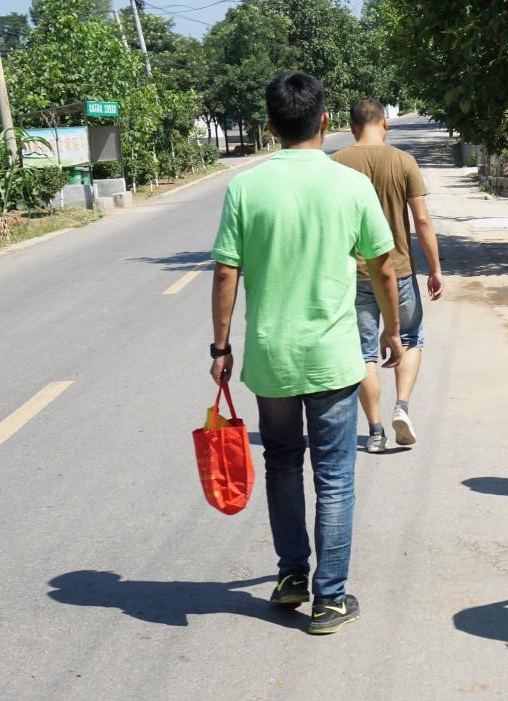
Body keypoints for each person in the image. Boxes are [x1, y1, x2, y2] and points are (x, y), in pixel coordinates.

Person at [209, 72, 402, 635]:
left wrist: (221, 346)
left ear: (270, 127)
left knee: (282, 463)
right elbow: (383, 266)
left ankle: (292, 575)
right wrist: (393, 330)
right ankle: (330, 599)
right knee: (335, 477)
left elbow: (226, 272)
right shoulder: (350, 184)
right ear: (324, 121)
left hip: (271, 357)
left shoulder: (245, 187)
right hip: (332, 356)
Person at [333, 99, 444, 454]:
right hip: (399, 271)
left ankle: (375, 431)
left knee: (364, 351)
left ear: (352, 127)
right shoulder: (403, 161)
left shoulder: (337, 163)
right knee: (410, 338)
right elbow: (422, 220)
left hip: (356, 274)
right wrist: (435, 268)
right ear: (385, 122)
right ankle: (402, 408)